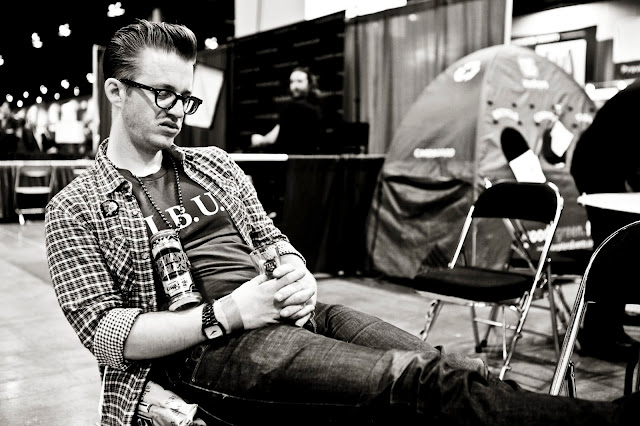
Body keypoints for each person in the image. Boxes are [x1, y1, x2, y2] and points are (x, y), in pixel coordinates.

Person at [44, 19, 638, 426]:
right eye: (164, 96)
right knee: (418, 385)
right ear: (116, 92)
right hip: (208, 349)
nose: (180, 113)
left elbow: (269, 238)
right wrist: (227, 313)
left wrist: (294, 268)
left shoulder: (213, 165)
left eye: (188, 98)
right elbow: (106, 333)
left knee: (454, 367)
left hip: (291, 312)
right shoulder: (76, 206)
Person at [570, 78, 640, 362]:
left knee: (617, 245)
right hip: (597, 167)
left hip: (603, 164)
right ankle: (597, 334)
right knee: (611, 247)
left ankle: (609, 323)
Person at [250, 66, 325, 154]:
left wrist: (259, 140)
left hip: (293, 162)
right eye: (292, 82)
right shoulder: (320, 105)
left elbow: (273, 139)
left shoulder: (294, 107)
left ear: (310, 84)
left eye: (299, 81)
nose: (294, 86)